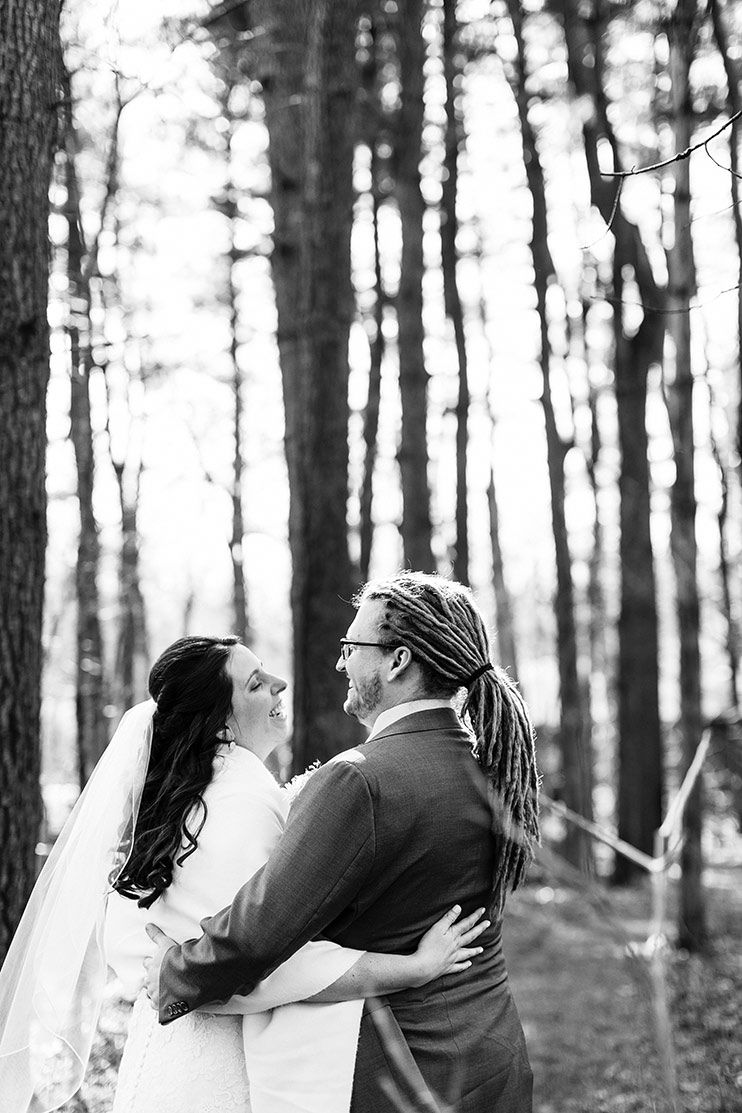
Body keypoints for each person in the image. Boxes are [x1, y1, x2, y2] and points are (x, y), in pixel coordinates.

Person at [0, 634, 487, 1113]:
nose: (280, 684)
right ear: (221, 726)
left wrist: (165, 967)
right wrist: (412, 968)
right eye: (256, 683)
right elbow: (264, 960)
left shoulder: (175, 799)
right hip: (223, 1060)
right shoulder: (243, 798)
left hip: (164, 1048)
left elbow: (142, 938)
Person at [145, 573, 541, 1113]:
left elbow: (259, 932)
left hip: (401, 1071)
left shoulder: (360, 779)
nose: (339, 663)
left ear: (397, 661)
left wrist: (175, 972)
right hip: (492, 1054)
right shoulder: (493, 769)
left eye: (352, 647)